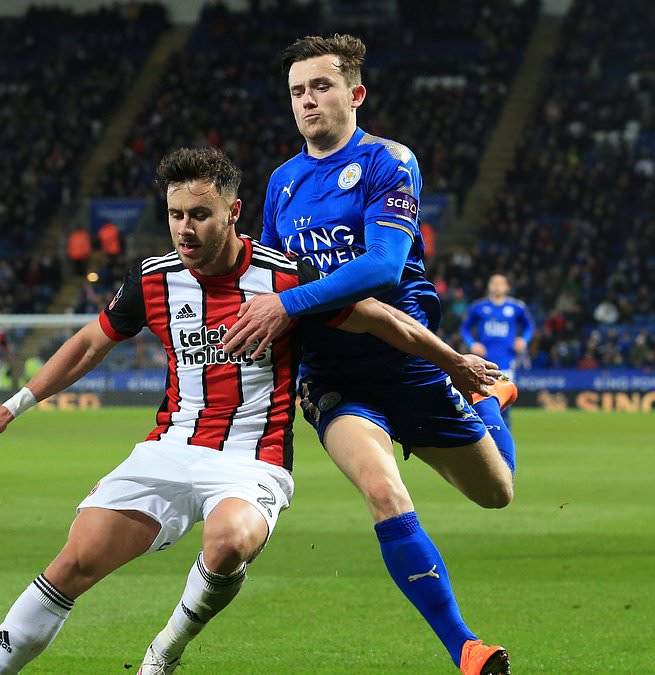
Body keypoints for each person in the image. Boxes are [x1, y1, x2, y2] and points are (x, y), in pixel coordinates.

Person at [0, 148, 500, 675]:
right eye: (176, 215)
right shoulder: (152, 279)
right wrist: (13, 408)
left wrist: (452, 362)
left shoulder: (286, 279)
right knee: (71, 565)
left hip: (251, 459)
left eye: (200, 214)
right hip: (169, 449)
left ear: (233, 212)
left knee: (227, 543)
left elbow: (382, 319)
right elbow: (89, 344)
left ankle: (163, 653)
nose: (185, 229)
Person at [222, 35, 516, 674]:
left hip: (409, 359)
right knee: (386, 491)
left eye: (321, 87)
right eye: (298, 91)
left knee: (498, 494)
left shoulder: (389, 161)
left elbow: (383, 268)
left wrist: (291, 307)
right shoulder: (283, 181)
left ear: (354, 93)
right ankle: (465, 647)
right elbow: (273, 278)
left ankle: (491, 401)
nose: (308, 101)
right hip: (334, 378)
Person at [460, 274, 535, 382]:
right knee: (485, 394)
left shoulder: (516, 307)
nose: (497, 287)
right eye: (494, 283)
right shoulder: (478, 307)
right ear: (488, 286)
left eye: (500, 284)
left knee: (505, 393)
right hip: (484, 359)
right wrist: (472, 344)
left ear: (507, 287)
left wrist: (524, 340)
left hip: (508, 358)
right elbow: (465, 328)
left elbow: (529, 326)